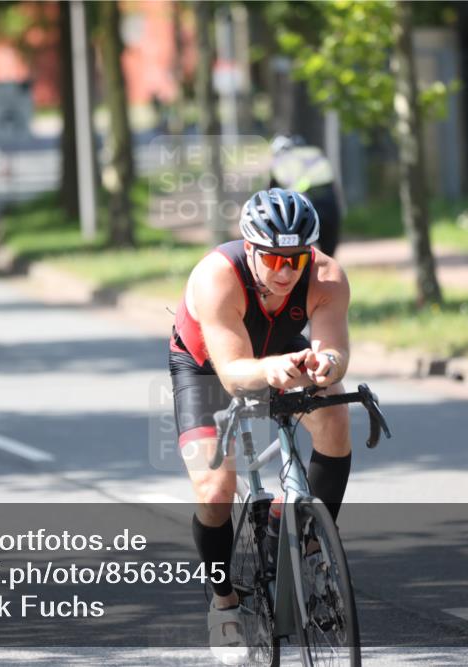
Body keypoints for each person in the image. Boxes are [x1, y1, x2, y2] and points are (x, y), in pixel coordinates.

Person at [169, 188, 352, 665]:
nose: (286, 271)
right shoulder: (216, 277)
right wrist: (270, 370)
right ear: (250, 249)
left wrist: (325, 365)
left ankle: (308, 542)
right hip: (207, 365)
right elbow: (233, 374)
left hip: (282, 351)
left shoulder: (326, 275)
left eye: (295, 258)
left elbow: (335, 351)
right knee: (215, 490)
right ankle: (223, 602)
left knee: (334, 418)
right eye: (272, 259)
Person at [269, 135, 342, 259]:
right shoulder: (315, 153)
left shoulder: (281, 159)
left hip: (304, 205)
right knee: (328, 254)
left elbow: (272, 189)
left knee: (300, 252)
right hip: (329, 204)